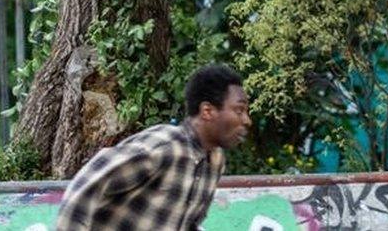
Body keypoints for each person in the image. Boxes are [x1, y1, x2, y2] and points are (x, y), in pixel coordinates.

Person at [56, 64, 250, 229]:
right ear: (207, 111)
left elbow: (186, 223)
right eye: (239, 110)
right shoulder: (162, 146)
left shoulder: (214, 161)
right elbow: (82, 192)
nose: (246, 120)